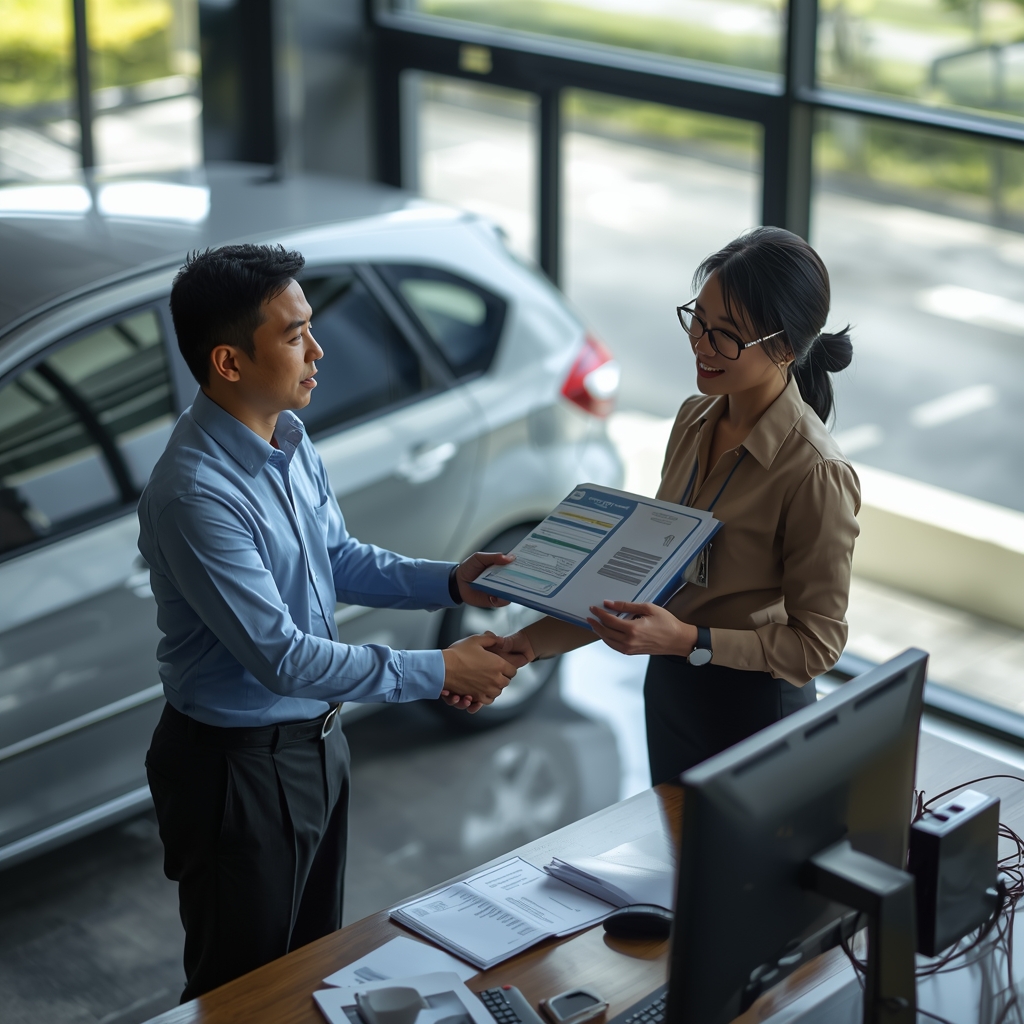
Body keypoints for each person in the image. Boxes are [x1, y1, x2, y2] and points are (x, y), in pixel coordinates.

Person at [139, 244, 517, 1001]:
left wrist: (450, 581)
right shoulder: (196, 495)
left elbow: (336, 557)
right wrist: (440, 670)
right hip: (237, 773)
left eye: (311, 326)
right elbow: (283, 658)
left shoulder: (286, 434)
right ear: (229, 361)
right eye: (294, 335)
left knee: (312, 971)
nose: (318, 350)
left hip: (315, 745)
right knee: (241, 995)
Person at [479, 227, 860, 784]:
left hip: (755, 712)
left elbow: (816, 645)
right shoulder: (692, 420)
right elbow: (642, 584)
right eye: (698, 320)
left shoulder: (816, 473)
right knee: (675, 838)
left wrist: (686, 640)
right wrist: (527, 644)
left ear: (784, 349)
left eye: (726, 335)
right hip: (672, 690)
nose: (701, 345)